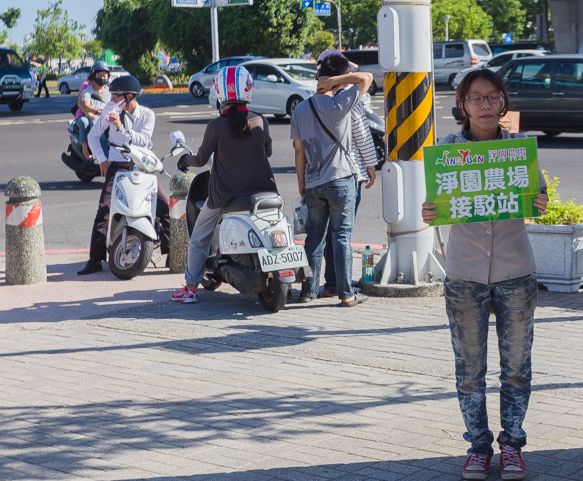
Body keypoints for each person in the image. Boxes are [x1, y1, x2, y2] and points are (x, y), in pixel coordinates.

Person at [421, 69, 548, 481]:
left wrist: (540, 200)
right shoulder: (447, 152)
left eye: (493, 97)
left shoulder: (517, 151)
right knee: (469, 368)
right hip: (464, 274)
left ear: (503, 102)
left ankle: (511, 447)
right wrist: (429, 212)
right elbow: (436, 204)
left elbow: (537, 196)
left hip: (516, 271)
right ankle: (478, 447)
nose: (486, 105)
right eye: (476, 98)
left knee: (516, 366)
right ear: (462, 105)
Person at [171, 65, 278, 303]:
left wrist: (183, 161)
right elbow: (267, 152)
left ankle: (190, 288)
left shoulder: (215, 126)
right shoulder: (261, 121)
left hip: (225, 194)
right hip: (263, 190)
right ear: (248, 91)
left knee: (199, 236)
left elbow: (200, 160)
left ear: (220, 93)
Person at [290, 53, 373, 306]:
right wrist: (338, 79)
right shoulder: (340, 102)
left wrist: (301, 182)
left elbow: (298, 150)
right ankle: (346, 294)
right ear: (339, 81)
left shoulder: (300, 109)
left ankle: (308, 291)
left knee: (314, 238)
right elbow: (366, 78)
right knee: (341, 236)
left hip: (313, 183)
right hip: (341, 179)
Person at [77, 75, 170, 275]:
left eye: (116, 96)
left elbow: (143, 141)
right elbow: (93, 135)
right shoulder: (111, 111)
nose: (111, 100)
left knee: (163, 204)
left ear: (129, 96)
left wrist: (121, 127)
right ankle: (95, 259)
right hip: (117, 165)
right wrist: (101, 158)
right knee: (104, 207)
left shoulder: (147, 115)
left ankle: (171, 253)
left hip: (142, 164)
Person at [315, 50, 378, 298]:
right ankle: (340, 286)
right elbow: (362, 133)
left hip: (319, 176)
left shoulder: (313, 101)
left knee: (323, 234)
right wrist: (371, 165)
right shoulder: (348, 98)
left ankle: (323, 284)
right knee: (342, 232)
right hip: (348, 174)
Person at [75, 62, 111, 160]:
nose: (102, 78)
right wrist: (91, 114)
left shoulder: (108, 89)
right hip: (84, 114)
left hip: (101, 115)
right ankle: (86, 149)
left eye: (104, 75)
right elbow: (81, 104)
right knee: (85, 123)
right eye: (99, 75)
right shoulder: (86, 86)